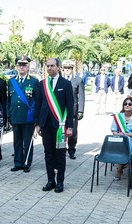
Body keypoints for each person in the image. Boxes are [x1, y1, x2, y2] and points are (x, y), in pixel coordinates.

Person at [36, 58, 74, 193]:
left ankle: (60, 182)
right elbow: (39, 105)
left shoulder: (66, 83)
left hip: (61, 126)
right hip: (45, 125)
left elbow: (70, 106)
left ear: (58, 67)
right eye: (48, 66)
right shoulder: (42, 84)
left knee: (60, 153)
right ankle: (50, 180)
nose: (49, 68)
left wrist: (70, 126)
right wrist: (38, 124)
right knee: (48, 153)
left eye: (52, 66)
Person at [7, 55, 40, 173]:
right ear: (16, 66)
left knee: (27, 141)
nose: (21, 67)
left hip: (28, 116)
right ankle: (17, 162)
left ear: (28, 66)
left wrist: (36, 118)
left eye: (24, 65)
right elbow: (8, 100)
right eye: (19, 65)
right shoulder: (11, 81)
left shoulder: (33, 81)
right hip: (15, 115)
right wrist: (8, 115)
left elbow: (37, 100)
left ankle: (26, 162)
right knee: (17, 141)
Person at [111, 97, 132, 180]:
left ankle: (120, 169)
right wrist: (118, 134)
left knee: (126, 142)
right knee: (121, 143)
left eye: (129, 104)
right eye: (125, 104)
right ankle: (126, 163)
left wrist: (124, 134)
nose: (127, 105)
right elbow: (114, 130)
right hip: (118, 139)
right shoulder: (118, 117)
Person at [62, 60, 85, 159]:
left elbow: (81, 97)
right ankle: (62, 149)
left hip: (73, 111)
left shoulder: (78, 80)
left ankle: (71, 150)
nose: (67, 70)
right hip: (61, 111)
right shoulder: (59, 80)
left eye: (69, 68)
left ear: (72, 69)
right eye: (66, 68)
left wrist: (80, 110)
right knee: (61, 131)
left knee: (73, 132)